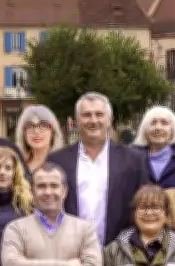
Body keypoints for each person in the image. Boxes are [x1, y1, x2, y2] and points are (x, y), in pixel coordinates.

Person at [48, 92, 150, 246]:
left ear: (109, 120)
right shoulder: (57, 161)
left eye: (99, 114)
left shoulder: (133, 160)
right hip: (70, 253)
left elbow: (144, 204)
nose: (93, 120)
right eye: (87, 115)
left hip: (121, 253)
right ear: (76, 121)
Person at [132, 106, 175, 189]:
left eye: (164, 123)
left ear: (172, 129)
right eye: (153, 123)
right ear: (145, 129)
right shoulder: (132, 159)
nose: (158, 128)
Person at [14, 105, 65, 173]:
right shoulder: (16, 166)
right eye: (30, 126)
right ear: (23, 133)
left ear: (53, 132)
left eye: (43, 125)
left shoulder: (64, 164)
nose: (36, 131)